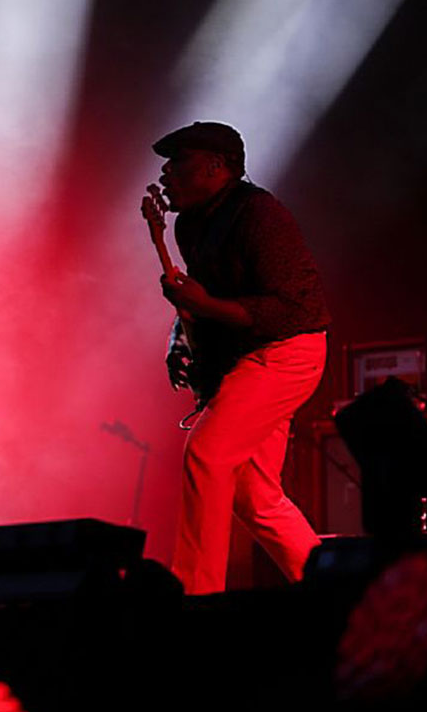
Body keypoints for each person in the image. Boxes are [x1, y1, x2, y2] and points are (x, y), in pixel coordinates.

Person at [150, 121, 330, 595]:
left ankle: (196, 596)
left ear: (217, 166)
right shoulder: (192, 224)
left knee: (206, 455)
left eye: (179, 161)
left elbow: (291, 308)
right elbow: (207, 297)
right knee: (256, 496)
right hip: (255, 359)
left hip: (287, 352)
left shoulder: (260, 214)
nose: (166, 172)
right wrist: (181, 339)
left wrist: (205, 307)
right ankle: (329, 584)